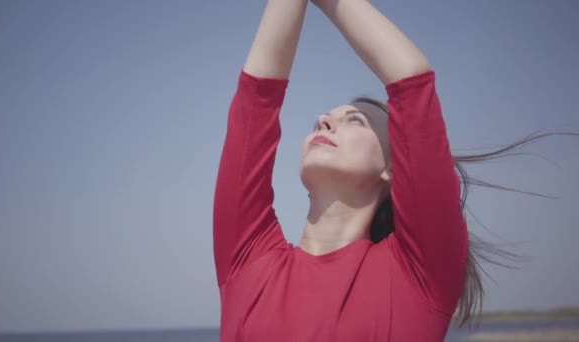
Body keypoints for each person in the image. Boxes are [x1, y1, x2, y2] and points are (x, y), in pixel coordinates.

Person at [212, 0, 560, 340]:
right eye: (325, 116)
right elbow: (255, 101)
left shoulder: (419, 274)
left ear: (395, 169)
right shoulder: (247, 258)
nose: (324, 120)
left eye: (355, 120)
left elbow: (410, 79)